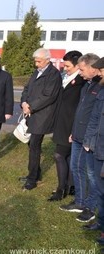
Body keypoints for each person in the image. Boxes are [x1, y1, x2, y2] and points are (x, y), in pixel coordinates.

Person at [60, 54, 102, 223]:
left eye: (82, 69)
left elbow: (97, 117)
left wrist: (89, 139)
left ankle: (90, 207)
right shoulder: (87, 84)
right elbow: (81, 111)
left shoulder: (101, 87)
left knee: (92, 174)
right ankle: (80, 201)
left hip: (90, 140)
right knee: (76, 168)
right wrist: (73, 131)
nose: (80, 72)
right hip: (77, 135)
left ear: (93, 68)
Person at [20, 48, 62, 191]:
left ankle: (32, 179)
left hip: (42, 116)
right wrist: (24, 103)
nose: (36, 64)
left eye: (39, 61)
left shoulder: (54, 75)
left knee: (34, 146)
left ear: (47, 60)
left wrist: (31, 107)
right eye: (35, 61)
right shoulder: (37, 72)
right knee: (32, 145)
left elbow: (48, 96)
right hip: (31, 113)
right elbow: (26, 89)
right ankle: (35, 173)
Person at [48, 51, 84, 201]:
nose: (65, 68)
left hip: (70, 125)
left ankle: (61, 189)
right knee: (67, 156)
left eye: (68, 66)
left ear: (77, 66)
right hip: (61, 123)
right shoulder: (67, 78)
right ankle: (70, 186)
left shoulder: (81, 82)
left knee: (59, 155)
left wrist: (74, 129)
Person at [83, 57, 104, 244]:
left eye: (102, 70)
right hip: (97, 145)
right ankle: (101, 223)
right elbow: (95, 118)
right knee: (100, 188)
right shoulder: (102, 90)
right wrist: (89, 141)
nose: (100, 73)